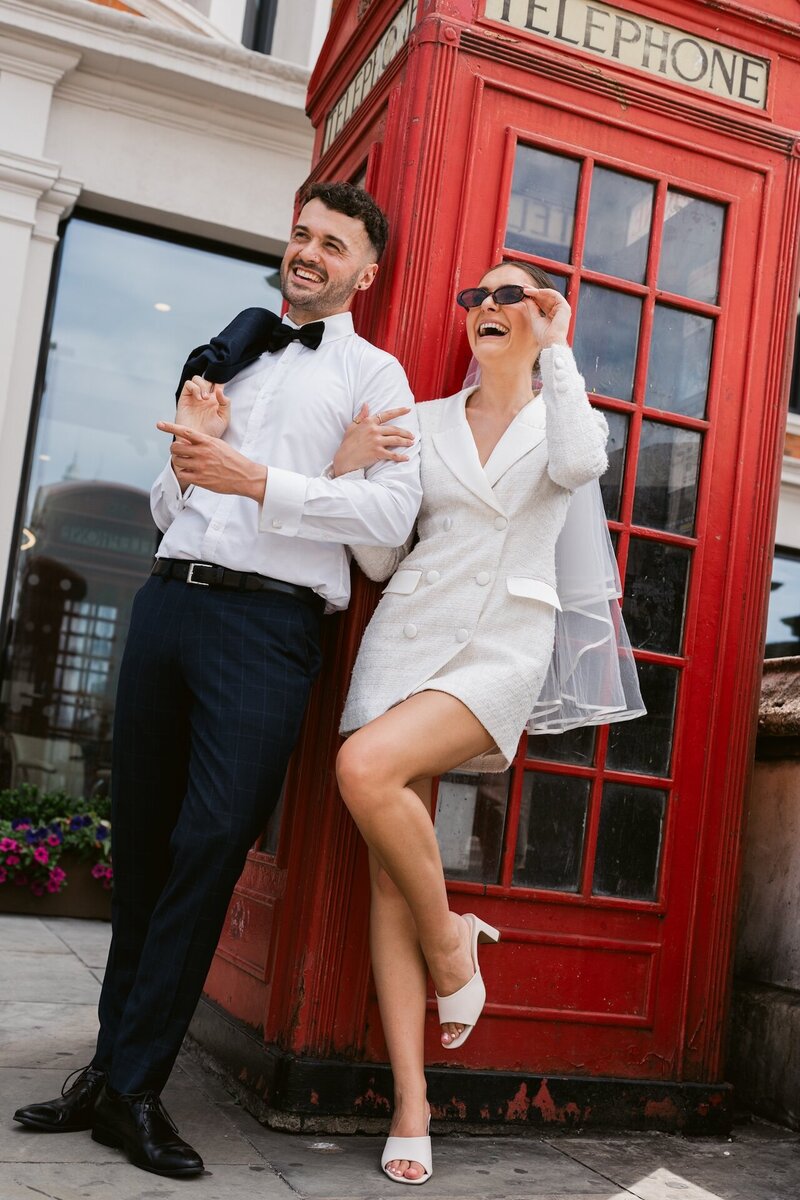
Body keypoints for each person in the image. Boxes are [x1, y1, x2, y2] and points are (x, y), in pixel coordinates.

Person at [13, 182, 422, 1179]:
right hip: (168, 606)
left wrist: (266, 480)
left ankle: (136, 1090)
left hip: (267, 627)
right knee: (144, 851)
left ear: (364, 271)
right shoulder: (229, 348)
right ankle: (111, 1072)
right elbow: (171, 502)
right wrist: (196, 455)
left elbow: (387, 527)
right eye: (300, 235)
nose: (308, 252)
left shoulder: (378, 377)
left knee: (205, 850)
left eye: (331, 244)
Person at [334, 259, 642, 1185]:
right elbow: (383, 558)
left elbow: (585, 466)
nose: (486, 307)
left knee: (362, 770)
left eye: (510, 295)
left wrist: (561, 348)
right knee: (390, 884)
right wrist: (349, 475)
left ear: (539, 314)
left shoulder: (563, 421)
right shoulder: (422, 423)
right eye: (475, 297)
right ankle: (413, 1104)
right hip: (405, 640)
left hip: (502, 648)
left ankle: (450, 944)